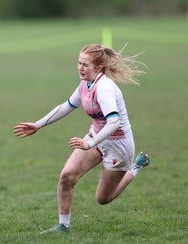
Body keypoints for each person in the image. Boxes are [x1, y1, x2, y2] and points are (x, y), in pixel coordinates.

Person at [13, 44, 150, 233]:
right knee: (66, 176)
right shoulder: (85, 84)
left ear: (98, 67)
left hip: (118, 145)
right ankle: (63, 226)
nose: (80, 67)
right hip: (96, 138)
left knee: (103, 199)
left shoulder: (104, 88)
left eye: (85, 64)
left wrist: (89, 143)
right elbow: (67, 106)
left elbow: (114, 123)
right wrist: (38, 124)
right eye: (79, 63)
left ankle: (135, 167)